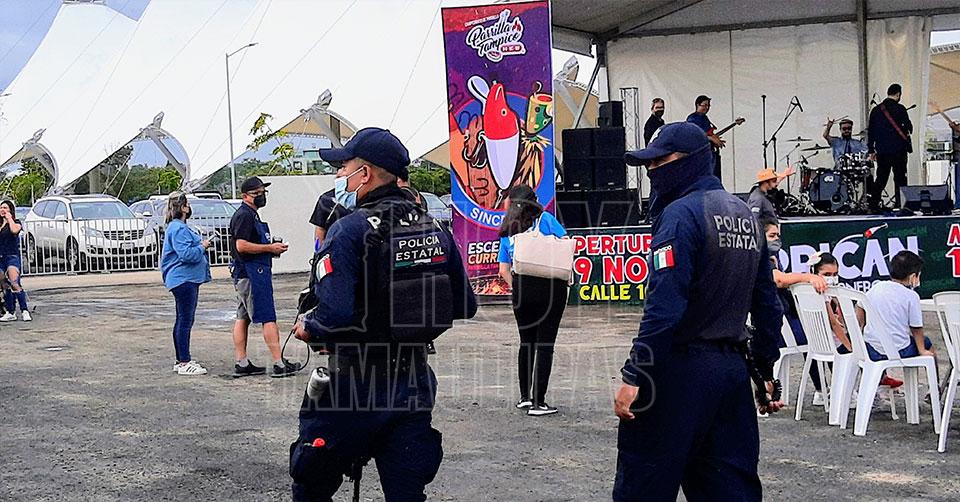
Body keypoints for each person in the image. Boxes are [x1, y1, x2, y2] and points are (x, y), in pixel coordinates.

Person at [290, 127, 477, 501]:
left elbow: (335, 313)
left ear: (366, 173)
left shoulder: (347, 230)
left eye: (344, 168)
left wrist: (308, 326)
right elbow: (465, 304)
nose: (340, 176)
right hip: (413, 383)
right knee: (407, 493)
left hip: (352, 386)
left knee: (311, 483)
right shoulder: (434, 228)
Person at [614, 123, 783, 501]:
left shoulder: (680, 215)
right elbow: (768, 305)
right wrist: (763, 371)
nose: (653, 170)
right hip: (730, 376)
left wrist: (636, 372)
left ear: (690, 161)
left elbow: (664, 308)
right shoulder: (746, 216)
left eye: (661, 161)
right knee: (729, 489)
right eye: (649, 163)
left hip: (677, 372)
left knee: (644, 485)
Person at [497, 185, 568, 416]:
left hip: (521, 289)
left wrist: (517, 288)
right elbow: (566, 244)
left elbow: (503, 270)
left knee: (526, 342)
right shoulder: (545, 220)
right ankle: (539, 402)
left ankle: (525, 398)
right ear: (534, 201)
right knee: (545, 345)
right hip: (550, 287)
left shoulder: (508, 229)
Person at [229, 176, 300, 378]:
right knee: (268, 316)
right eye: (256, 193)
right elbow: (241, 245)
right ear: (245, 196)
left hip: (247, 272)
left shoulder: (252, 215)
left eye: (263, 192)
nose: (261, 196)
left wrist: (270, 249)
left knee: (243, 317)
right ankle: (278, 363)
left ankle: (242, 362)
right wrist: (269, 248)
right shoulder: (245, 216)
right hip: (251, 273)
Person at [812, 252, 903, 389]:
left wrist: (837, 300)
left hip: (820, 344)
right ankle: (875, 381)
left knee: (860, 337)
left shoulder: (816, 291)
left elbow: (841, 318)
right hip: (832, 344)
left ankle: (878, 379)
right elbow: (834, 324)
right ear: (814, 273)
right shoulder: (820, 292)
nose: (832, 278)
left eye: (835, 274)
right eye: (827, 274)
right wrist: (851, 347)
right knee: (865, 343)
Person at [763, 219, 830, 403]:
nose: (777, 240)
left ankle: (824, 390)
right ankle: (833, 391)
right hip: (776, 327)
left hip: (780, 321)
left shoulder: (772, 259)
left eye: (778, 236)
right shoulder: (760, 260)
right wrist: (809, 277)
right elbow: (779, 280)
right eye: (772, 236)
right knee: (825, 337)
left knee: (822, 333)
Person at [160, 193, 212, 376]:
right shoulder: (179, 229)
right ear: (182, 207)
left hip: (184, 279)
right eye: (187, 204)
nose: (189, 207)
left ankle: (181, 359)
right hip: (184, 279)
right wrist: (202, 246)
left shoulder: (177, 227)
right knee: (185, 320)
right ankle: (184, 361)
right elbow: (186, 254)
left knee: (182, 319)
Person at [861, 250, 935, 362]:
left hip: (871, 349)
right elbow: (916, 329)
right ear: (913, 276)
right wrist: (922, 350)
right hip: (899, 350)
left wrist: (860, 327)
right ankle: (935, 374)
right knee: (926, 342)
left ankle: (880, 374)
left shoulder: (876, 287)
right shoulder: (911, 296)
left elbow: (860, 306)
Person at [867, 84, 913, 210]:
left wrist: (871, 149)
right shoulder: (900, 109)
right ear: (898, 94)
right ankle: (901, 204)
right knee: (900, 178)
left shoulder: (876, 110)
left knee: (881, 178)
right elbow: (908, 128)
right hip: (899, 150)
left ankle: (873, 204)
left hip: (882, 150)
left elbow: (871, 132)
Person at [0, 201, 30, 322]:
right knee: (4, 283)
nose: (2, 210)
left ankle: (24, 310)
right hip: (0, 257)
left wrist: (9, 219)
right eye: (1, 208)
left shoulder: (15, 222)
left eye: (5, 208)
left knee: (14, 282)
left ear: (10, 210)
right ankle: (10, 311)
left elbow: (14, 231)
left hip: (11, 256)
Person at [686, 95, 724, 180]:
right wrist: (711, 138)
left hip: (709, 152)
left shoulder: (705, 118)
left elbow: (708, 133)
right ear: (697, 105)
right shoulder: (692, 118)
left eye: (708, 105)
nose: (707, 108)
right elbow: (694, 134)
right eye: (705, 105)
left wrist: (715, 140)